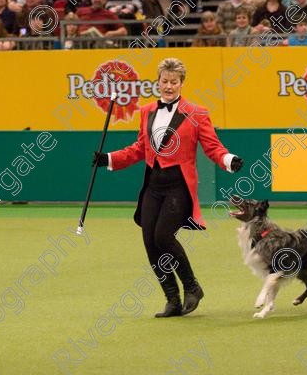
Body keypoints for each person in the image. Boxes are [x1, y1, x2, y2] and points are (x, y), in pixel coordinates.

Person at [92, 58, 244, 318]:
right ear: (158, 82)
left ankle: (192, 286)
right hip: (153, 185)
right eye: (165, 81)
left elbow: (212, 147)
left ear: (182, 84)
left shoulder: (197, 113)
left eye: (174, 82)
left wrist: (228, 159)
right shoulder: (147, 111)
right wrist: (109, 159)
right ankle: (172, 299)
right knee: (150, 241)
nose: (169, 86)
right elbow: (140, 148)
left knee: (163, 236)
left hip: (179, 186)